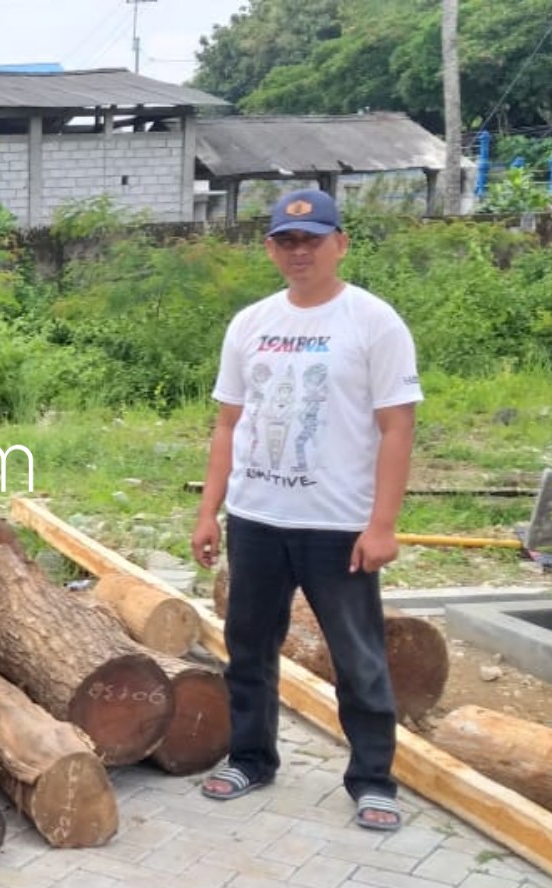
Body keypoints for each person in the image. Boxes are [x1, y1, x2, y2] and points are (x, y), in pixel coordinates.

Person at [190, 188, 422, 833]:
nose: (300, 251)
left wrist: (382, 525)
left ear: (339, 244)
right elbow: (228, 423)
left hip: (337, 524)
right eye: (287, 241)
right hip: (257, 518)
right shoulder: (251, 323)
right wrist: (210, 512)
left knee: (358, 658)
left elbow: (397, 427)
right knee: (248, 649)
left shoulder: (372, 322)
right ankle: (251, 758)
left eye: (312, 239)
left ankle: (372, 780)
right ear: (270, 249)